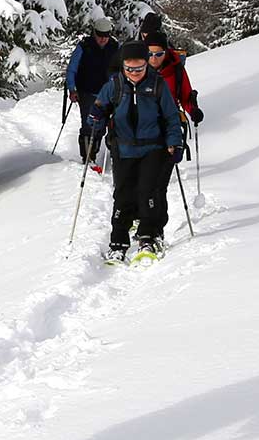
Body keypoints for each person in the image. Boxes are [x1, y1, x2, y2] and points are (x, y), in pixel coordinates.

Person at [89, 42, 184, 263]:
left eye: (139, 68)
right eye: (129, 69)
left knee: (148, 192)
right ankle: (118, 242)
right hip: (123, 148)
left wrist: (174, 143)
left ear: (146, 64)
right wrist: (95, 117)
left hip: (153, 148)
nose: (134, 74)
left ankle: (149, 237)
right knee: (122, 194)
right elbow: (99, 109)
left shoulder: (158, 85)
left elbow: (171, 118)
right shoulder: (115, 84)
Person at [65, 14, 122, 161]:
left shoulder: (115, 47)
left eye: (106, 35)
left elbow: (123, 69)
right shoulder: (84, 46)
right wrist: (72, 89)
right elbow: (72, 69)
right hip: (87, 92)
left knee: (101, 128)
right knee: (89, 125)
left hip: (108, 93)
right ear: (94, 33)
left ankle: (95, 150)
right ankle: (88, 157)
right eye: (100, 35)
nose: (103, 39)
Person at [145, 33, 203, 130]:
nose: (153, 59)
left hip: (169, 120)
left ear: (166, 52)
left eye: (159, 54)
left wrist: (193, 110)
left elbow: (185, 96)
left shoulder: (175, 69)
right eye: (149, 54)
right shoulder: (136, 69)